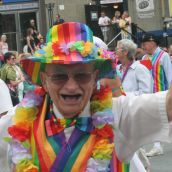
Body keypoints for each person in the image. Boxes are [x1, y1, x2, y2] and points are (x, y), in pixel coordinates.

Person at [0, 22, 172, 172]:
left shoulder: (118, 114)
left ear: (94, 79)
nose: (71, 86)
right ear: (44, 81)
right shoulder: (15, 121)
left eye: (82, 75)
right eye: (59, 76)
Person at [141, 33, 172, 157]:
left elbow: (170, 75)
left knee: (163, 119)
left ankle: (158, 146)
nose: (143, 46)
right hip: (150, 95)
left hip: (163, 93)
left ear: (153, 43)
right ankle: (157, 146)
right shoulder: (144, 57)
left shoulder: (163, 56)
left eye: (145, 43)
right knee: (157, 119)